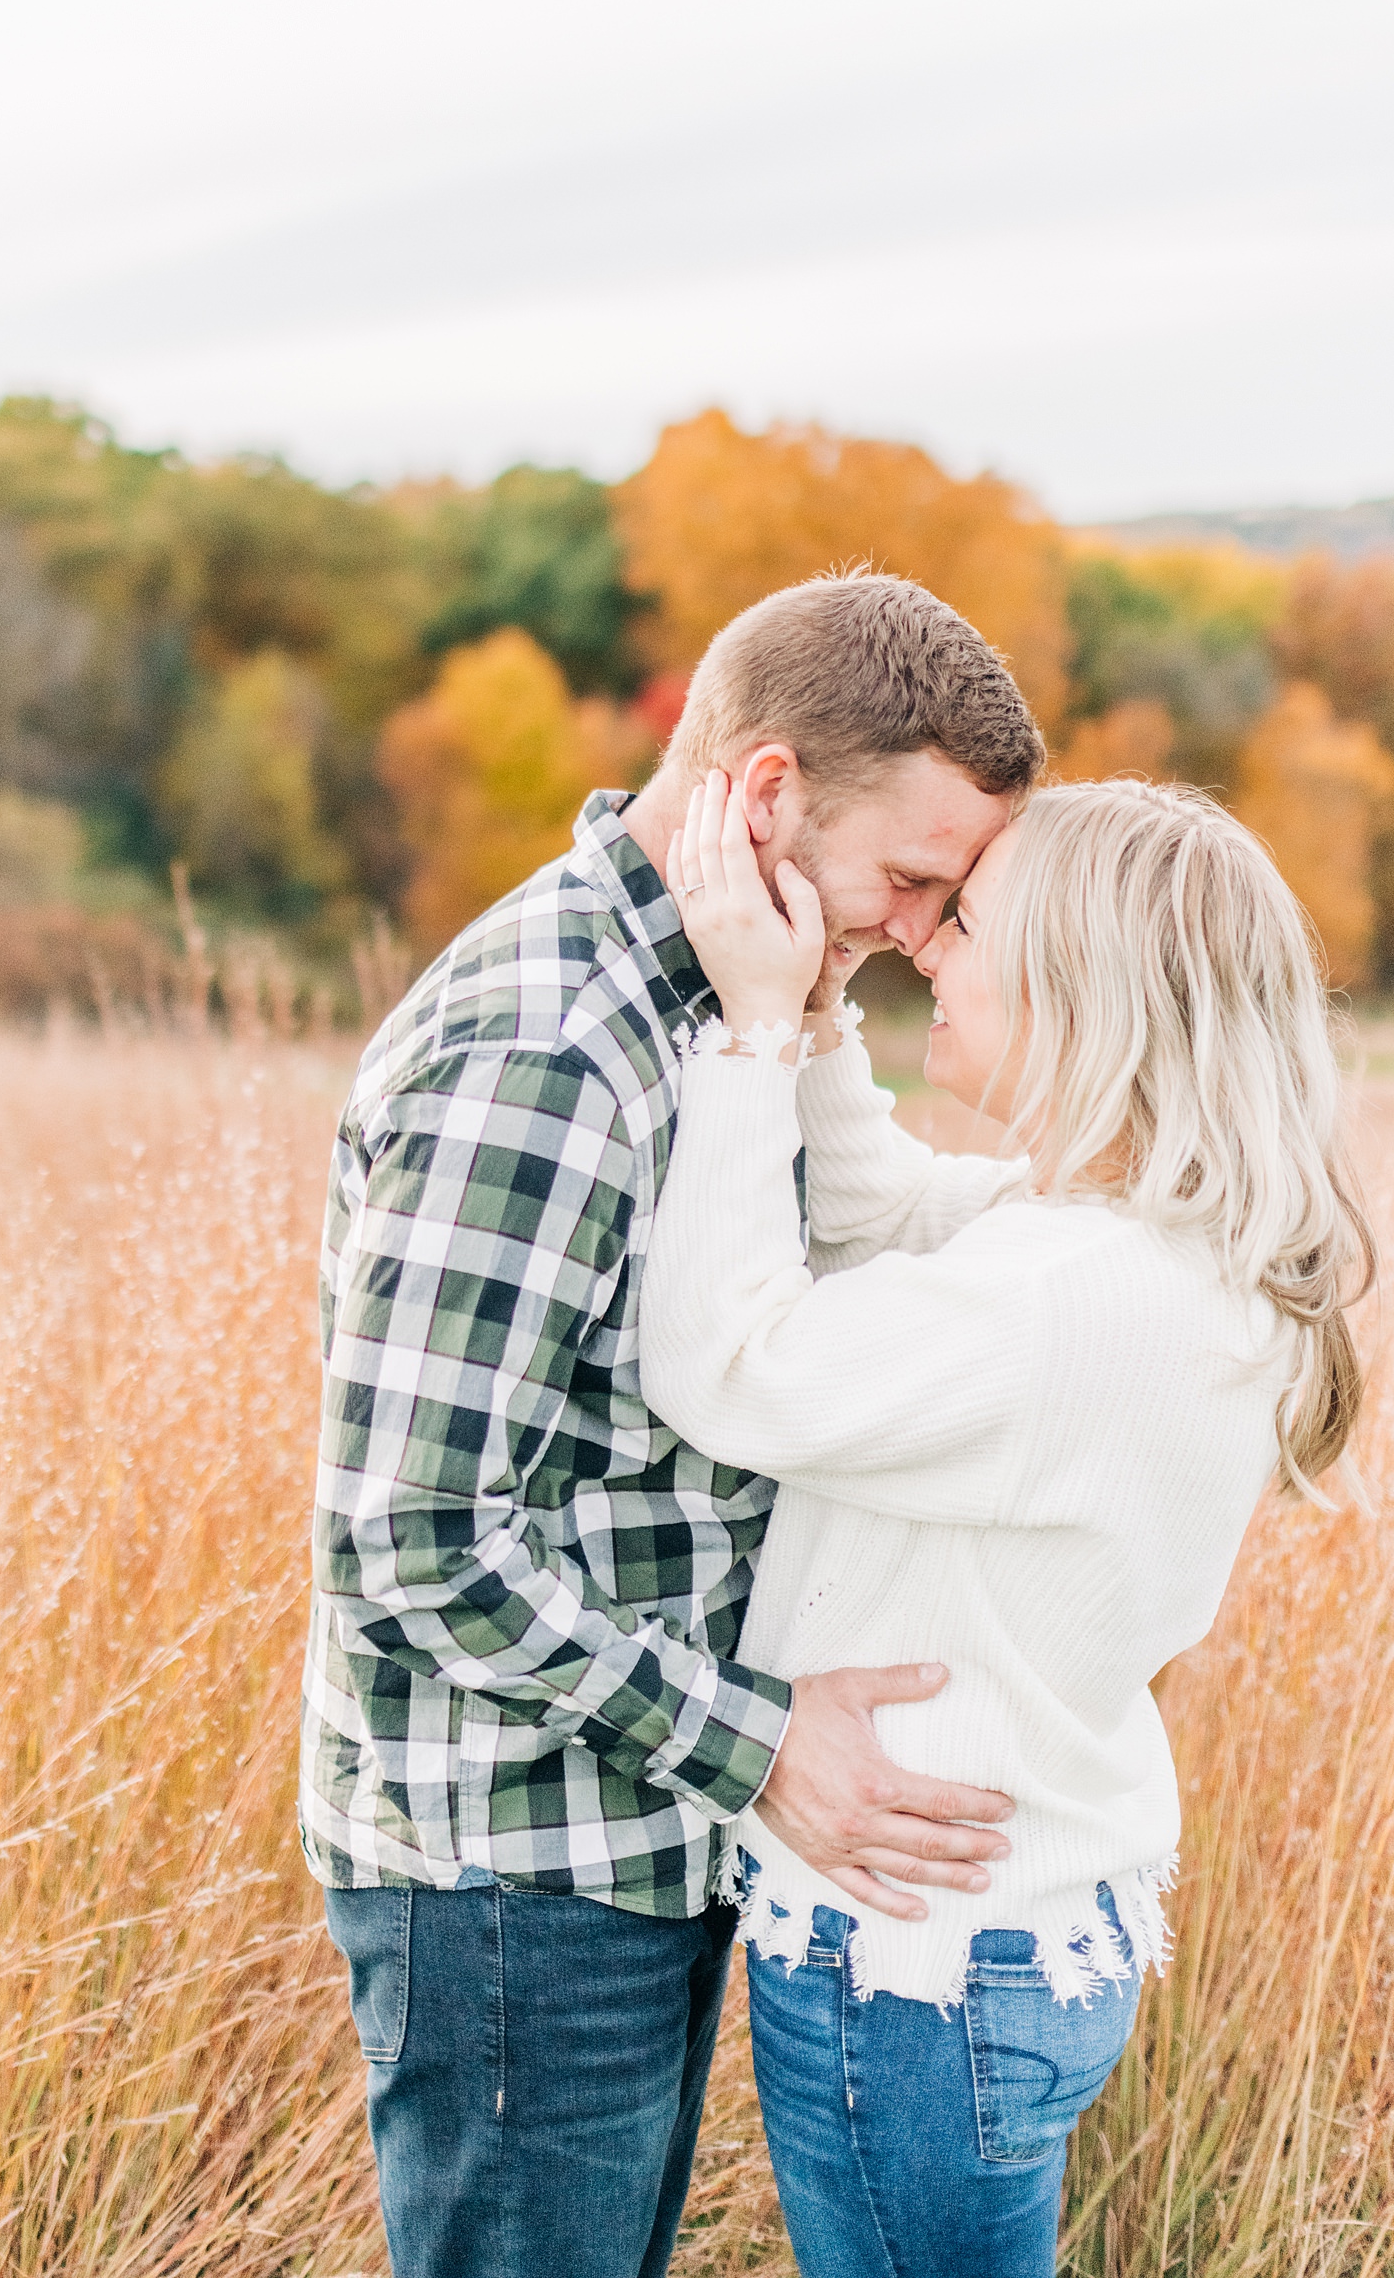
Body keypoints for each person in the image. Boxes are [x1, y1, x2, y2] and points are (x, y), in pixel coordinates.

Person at [299, 573, 1045, 2278]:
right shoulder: (548, 1052)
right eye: (914, 883)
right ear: (766, 795)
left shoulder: (725, 1005)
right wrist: (765, 1744)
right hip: (511, 1873)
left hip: (627, 1830)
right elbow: (407, 1542)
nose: (924, 936)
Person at [639, 770, 1374, 2278]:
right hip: (1014, 1934)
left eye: (966, 922)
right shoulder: (1141, 1252)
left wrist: (756, 1039)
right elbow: (880, 1210)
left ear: (1079, 984)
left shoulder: (1069, 1303)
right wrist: (829, 1005)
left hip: (918, 1969)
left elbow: (724, 1365)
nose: (926, 947)